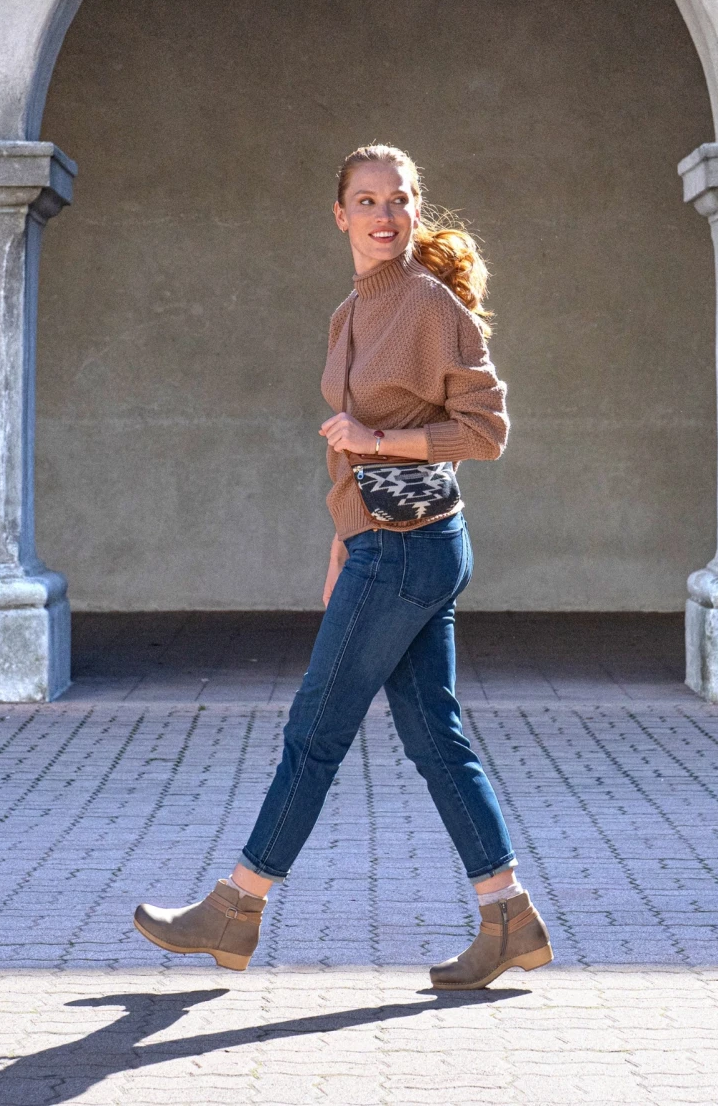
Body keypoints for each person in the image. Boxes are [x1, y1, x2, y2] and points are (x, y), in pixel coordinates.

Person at [134, 144, 552, 990]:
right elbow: (346, 453)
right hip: (387, 544)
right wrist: (341, 539)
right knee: (435, 737)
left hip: (408, 548)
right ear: (341, 215)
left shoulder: (431, 306)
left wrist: (380, 443)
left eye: (399, 201)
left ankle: (236, 907)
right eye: (366, 201)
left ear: (415, 209)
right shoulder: (349, 312)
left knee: (316, 730)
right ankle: (508, 917)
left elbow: (486, 429)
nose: (384, 216)